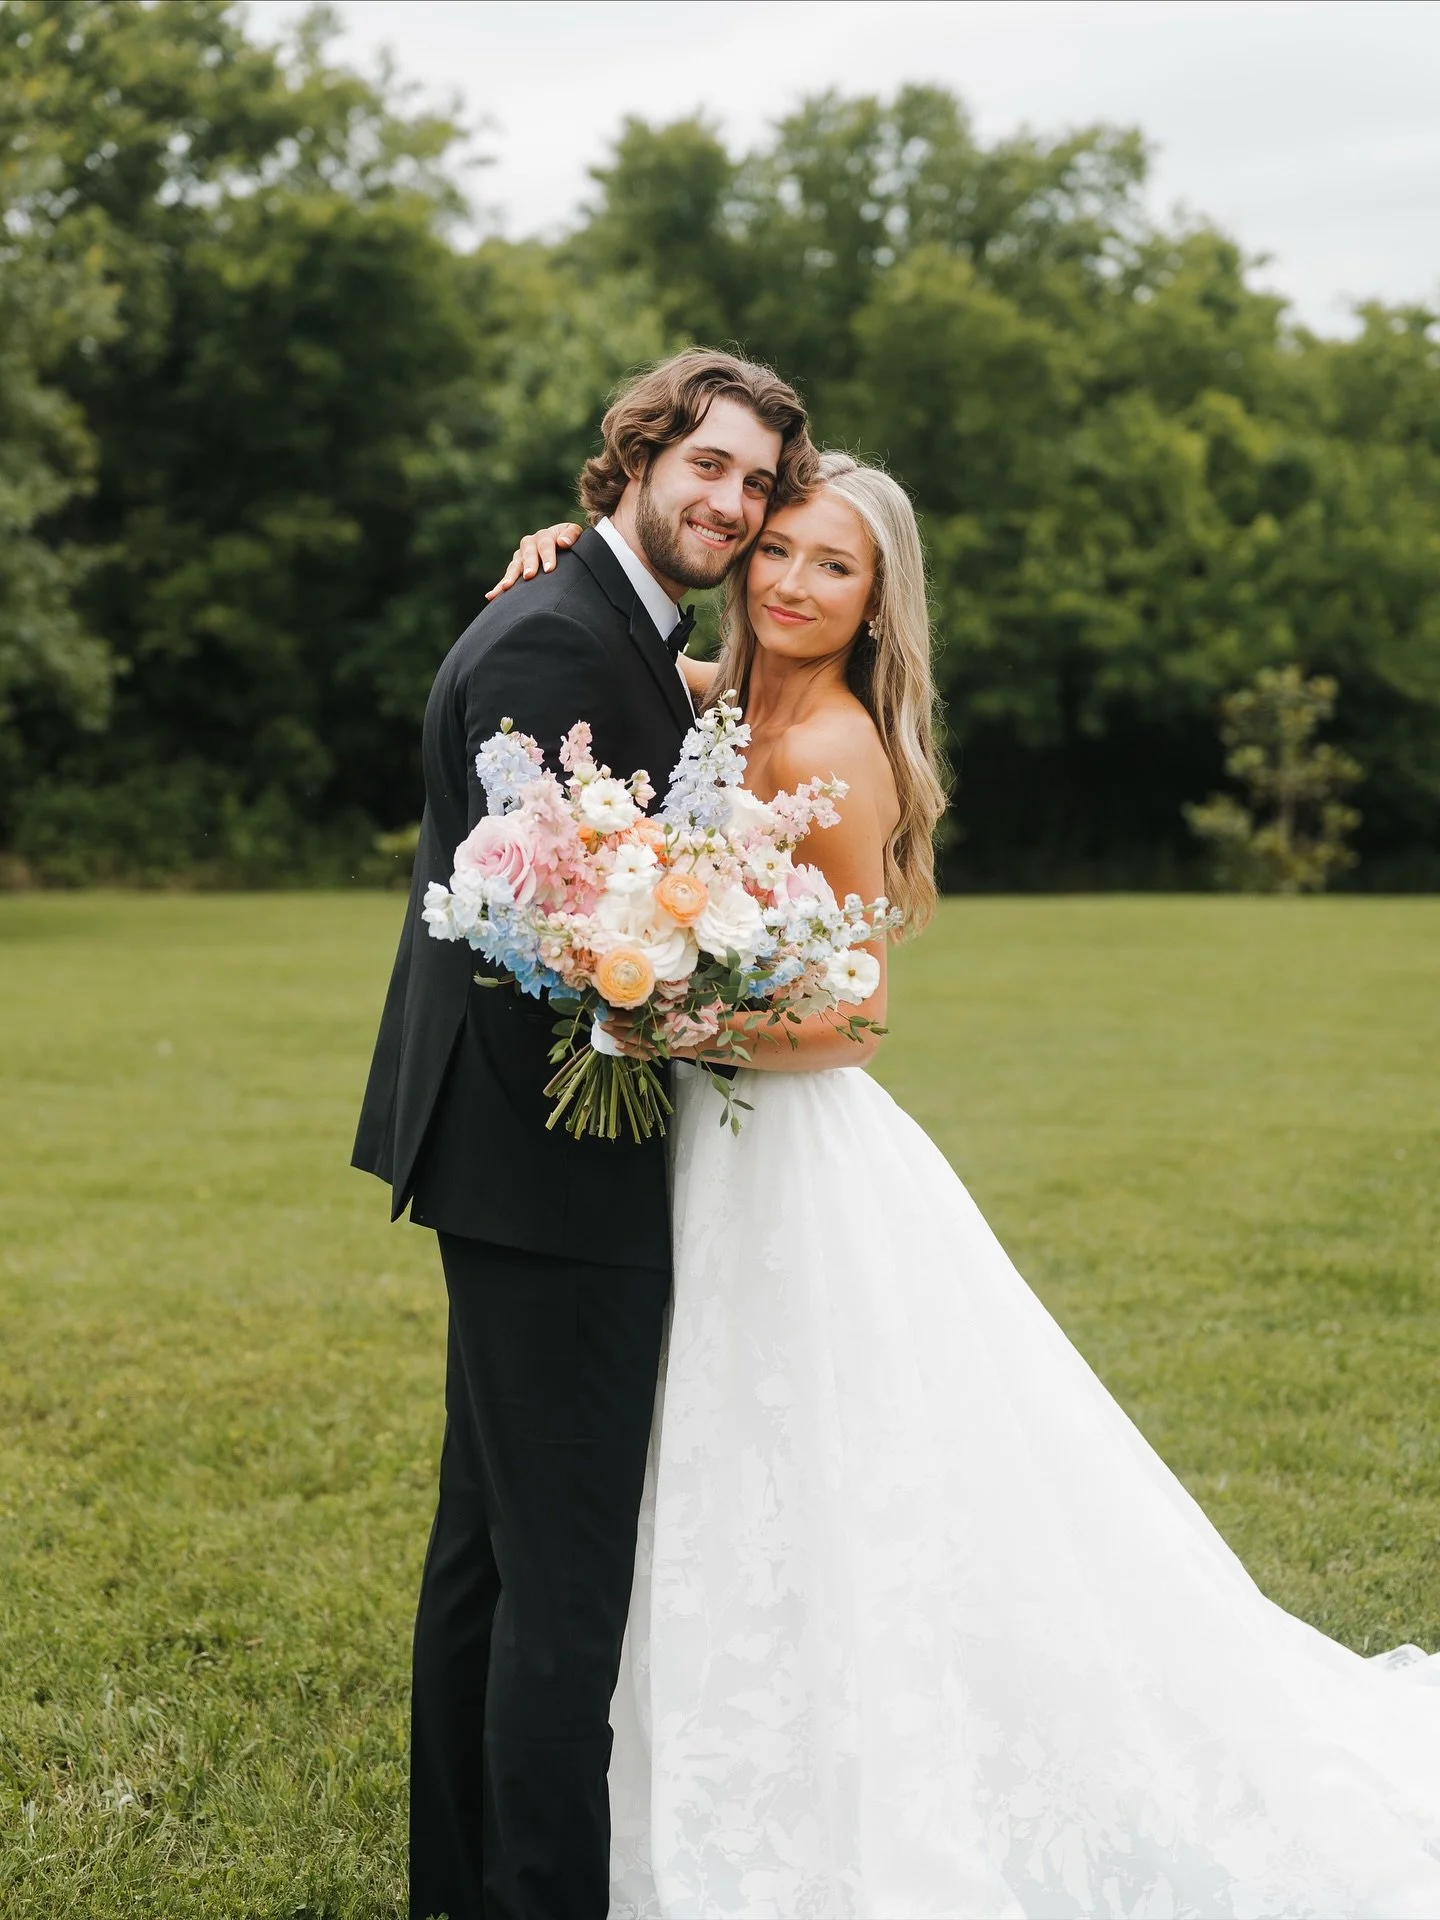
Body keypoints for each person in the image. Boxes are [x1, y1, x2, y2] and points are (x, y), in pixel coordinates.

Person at [488, 457, 1440, 1920]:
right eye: (780, 552)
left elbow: (853, 1020)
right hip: (701, 1140)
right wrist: (565, 544)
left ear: (879, 605)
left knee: (824, 1464)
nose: (792, 584)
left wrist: (667, 1015)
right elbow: (615, 640)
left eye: (834, 568)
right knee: (711, 1455)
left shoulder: (837, 752)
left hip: (786, 1154)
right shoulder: (719, 703)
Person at [351, 347, 816, 1920]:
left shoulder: (611, 623)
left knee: (491, 1556)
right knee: (563, 1577)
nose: (734, 503)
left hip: (524, 1159)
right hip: (550, 1165)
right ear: (632, 457)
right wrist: (667, 1003)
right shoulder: (557, 640)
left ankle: (466, 1889)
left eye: (757, 483)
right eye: (709, 466)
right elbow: (530, 942)